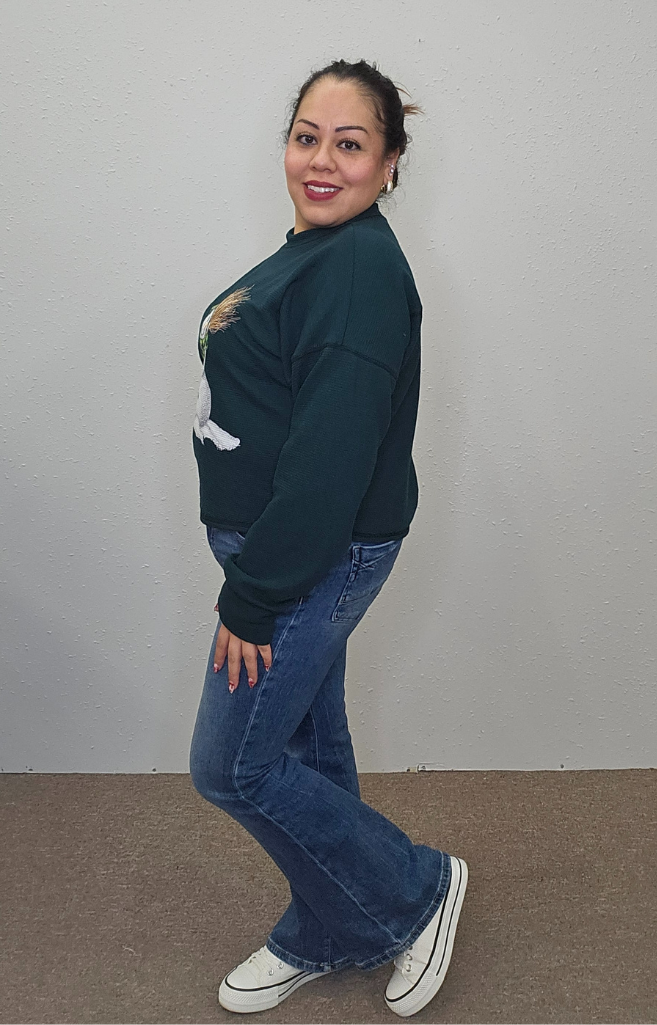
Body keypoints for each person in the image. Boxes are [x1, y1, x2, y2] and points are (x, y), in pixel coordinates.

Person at [188, 59, 468, 1018]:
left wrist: (254, 592)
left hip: (307, 555)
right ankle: (332, 924)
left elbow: (329, 465)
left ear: (389, 164)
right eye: (307, 136)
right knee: (305, 746)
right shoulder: (314, 251)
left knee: (233, 766)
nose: (321, 159)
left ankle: (415, 888)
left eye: (350, 144)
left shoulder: (357, 272)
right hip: (280, 548)